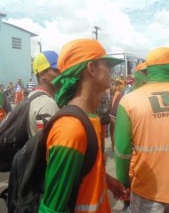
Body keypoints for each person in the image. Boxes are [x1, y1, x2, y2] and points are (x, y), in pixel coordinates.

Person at [38, 38, 128, 212]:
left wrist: (107, 181)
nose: (111, 71)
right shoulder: (71, 129)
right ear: (91, 69)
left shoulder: (90, 118)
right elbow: (51, 208)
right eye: (106, 64)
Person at [115, 47, 169, 212]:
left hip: (147, 189)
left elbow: (122, 152)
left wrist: (123, 183)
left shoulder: (129, 101)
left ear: (149, 70)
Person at [109, 62, 147, 213]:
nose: (147, 75)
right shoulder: (124, 94)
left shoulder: (148, 93)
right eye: (144, 72)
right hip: (132, 154)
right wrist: (114, 143)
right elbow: (113, 120)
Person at [29, 50, 60, 135]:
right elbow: (48, 144)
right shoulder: (47, 104)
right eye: (57, 70)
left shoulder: (33, 95)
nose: (62, 73)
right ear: (43, 74)